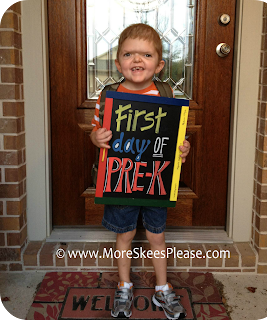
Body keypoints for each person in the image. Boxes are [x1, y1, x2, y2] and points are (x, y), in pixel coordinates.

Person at [90, 23, 190, 320]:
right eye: (129, 54)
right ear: (119, 61)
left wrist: (183, 148)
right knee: (125, 233)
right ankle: (124, 285)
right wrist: (95, 138)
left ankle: (162, 288)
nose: (137, 60)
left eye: (145, 55)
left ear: (159, 65)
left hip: (155, 181)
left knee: (156, 235)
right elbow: (97, 131)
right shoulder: (108, 97)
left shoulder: (166, 95)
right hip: (120, 179)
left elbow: (175, 139)